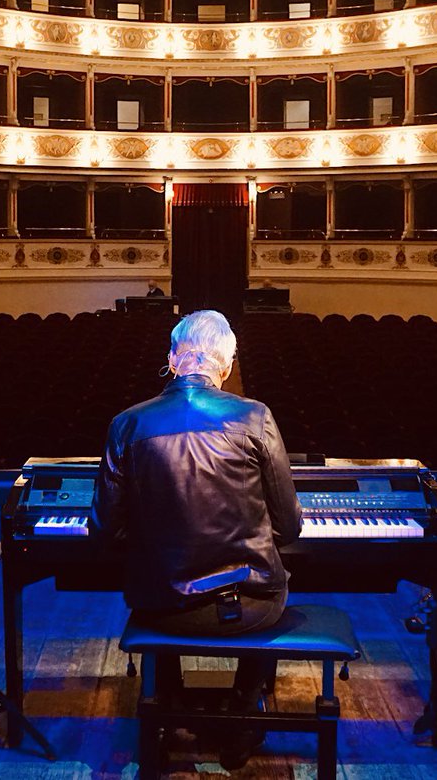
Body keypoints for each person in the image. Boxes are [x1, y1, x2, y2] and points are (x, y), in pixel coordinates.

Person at [93, 310, 301, 769]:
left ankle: (167, 707)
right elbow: (289, 526)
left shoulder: (126, 424)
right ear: (224, 367)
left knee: (154, 592)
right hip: (248, 608)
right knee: (279, 585)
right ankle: (244, 715)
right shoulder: (255, 417)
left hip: (162, 605)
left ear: (172, 359)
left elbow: (106, 527)